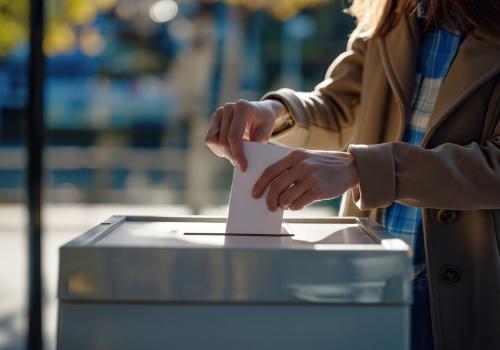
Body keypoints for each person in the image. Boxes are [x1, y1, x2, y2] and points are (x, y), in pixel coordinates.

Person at [204, 1, 500, 349]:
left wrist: (360, 168)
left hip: (473, 292)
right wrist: (277, 112)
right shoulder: (393, 12)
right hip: (371, 274)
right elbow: (339, 104)